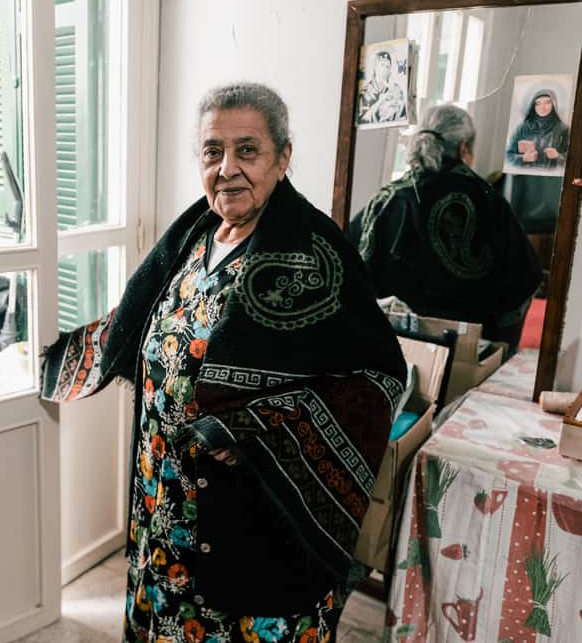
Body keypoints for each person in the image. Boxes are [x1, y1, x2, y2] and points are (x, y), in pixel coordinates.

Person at [42, 83, 406, 642]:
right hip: (165, 498)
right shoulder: (193, 237)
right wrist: (62, 354)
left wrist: (253, 430)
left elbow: (377, 379)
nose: (228, 168)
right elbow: (141, 320)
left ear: (283, 158)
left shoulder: (318, 253)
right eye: (213, 151)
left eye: (248, 150)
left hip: (254, 517)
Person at [349, 104, 542, 354]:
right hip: (468, 348)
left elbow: (353, 264)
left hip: (395, 345)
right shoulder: (486, 197)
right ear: (463, 148)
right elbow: (525, 274)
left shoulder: (390, 197)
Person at [505, 89, 570, 172]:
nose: (542, 107)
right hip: (526, 177)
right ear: (533, 106)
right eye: (538, 104)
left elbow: (573, 159)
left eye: (547, 103)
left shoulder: (563, 129)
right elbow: (508, 155)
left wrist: (558, 156)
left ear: (554, 104)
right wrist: (523, 158)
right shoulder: (523, 128)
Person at [357, 50, 407, 125]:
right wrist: (380, 100)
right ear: (375, 67)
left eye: (387, 66)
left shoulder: (395, 89)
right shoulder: (365, 92)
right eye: (382, 64)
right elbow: (363, 120)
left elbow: (403, 113)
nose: (384, 69)